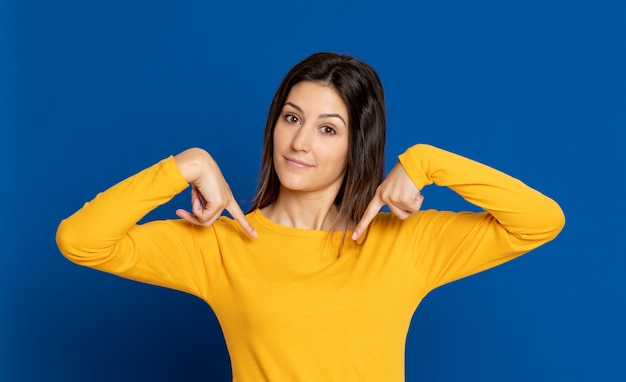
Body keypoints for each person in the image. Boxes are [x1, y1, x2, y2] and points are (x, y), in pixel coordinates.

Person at [56, 52, 565, 381]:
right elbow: (81, 241)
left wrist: (429, 162)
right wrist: (184, 165)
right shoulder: (221, 245)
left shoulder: (405, 243)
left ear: (356, 145)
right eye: (292, 118)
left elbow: (540, 221)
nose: (299, 142)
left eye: (328, 129)